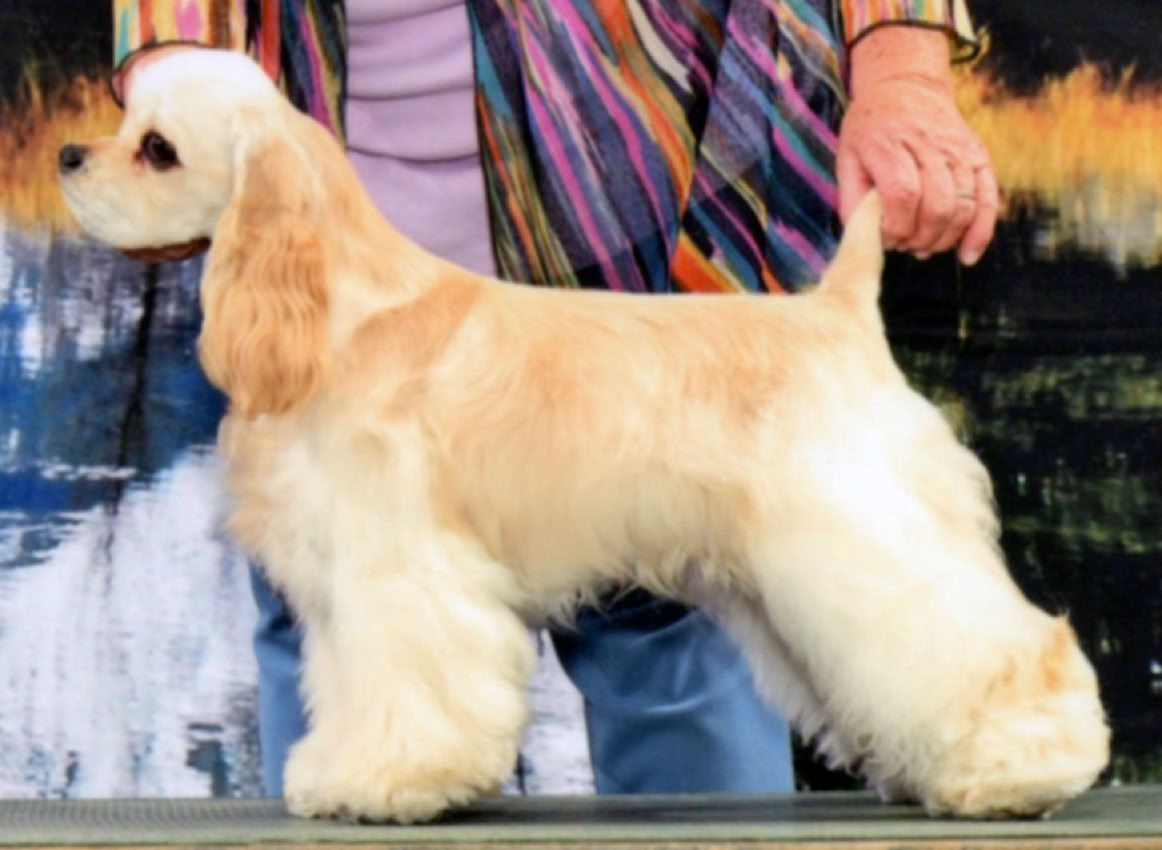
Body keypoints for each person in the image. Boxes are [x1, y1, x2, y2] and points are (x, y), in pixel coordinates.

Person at [112, 0, 996, 797]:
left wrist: (903, 73)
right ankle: (390, 751)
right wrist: (174, 87)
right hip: (326, 233)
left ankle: (995, 721)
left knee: (686, 634)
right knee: (338, 601)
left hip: (634, 196)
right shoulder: (275, 210)